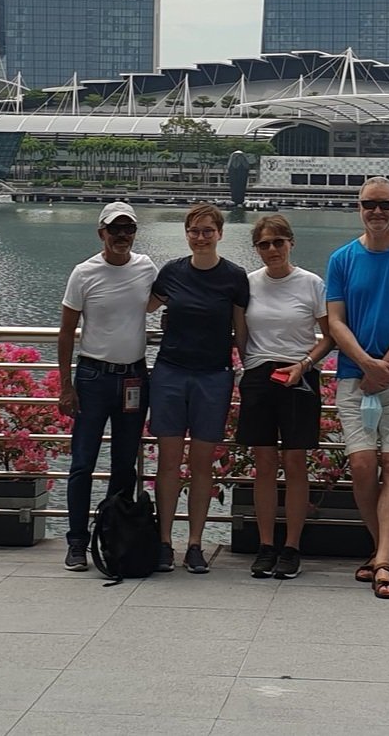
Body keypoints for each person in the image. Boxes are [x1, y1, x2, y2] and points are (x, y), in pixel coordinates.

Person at [323, 177, 389, 600]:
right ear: (358, 207)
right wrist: (367, 364)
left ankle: (383, 560)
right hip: (354, 377)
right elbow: (335, 321)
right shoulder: (342, 259)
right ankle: (381, 545)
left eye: (385, 204)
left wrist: (385, 366)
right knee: (363, 464)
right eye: (370, 204)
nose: (377, 212)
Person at [148, 200, 250, 573]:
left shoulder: (234, 277)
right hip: (170, 373)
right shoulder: (171, 272)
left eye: (208, 231)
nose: (201, 237)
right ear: (186, 234)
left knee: (203, 464)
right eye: (194, 231)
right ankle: (163, 541)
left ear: (220, 234)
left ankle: (194, 543)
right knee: (170, 463)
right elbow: (140, 306)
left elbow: (241, 330)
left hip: (214, 375)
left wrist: (250, 368)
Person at [56, 200, 156, 572]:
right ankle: (77, 542)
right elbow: (67, 332)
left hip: (134, 376)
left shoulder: (146, 267)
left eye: (128, 229)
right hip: (93, 377)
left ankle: (115, 535)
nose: (122, 236)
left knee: (124, 465)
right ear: (101, 233)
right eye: (115, 230)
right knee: (82, 462)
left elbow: (171, 297)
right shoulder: (84, 273)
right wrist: (66, 386)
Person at [236, 212, 328, 580]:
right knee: (264, 464)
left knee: (294, 463)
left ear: (291, 242)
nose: (272, 249)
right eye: (264, 244)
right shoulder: (248, 284)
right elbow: (240, 332)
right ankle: (265, 545)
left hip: (299, 377)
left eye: (278, 242)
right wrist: (248, 369)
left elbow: (330, 335)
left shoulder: (311, 283)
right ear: (256, 248)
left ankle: (291, 546)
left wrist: (303, 365)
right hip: (259, 376)